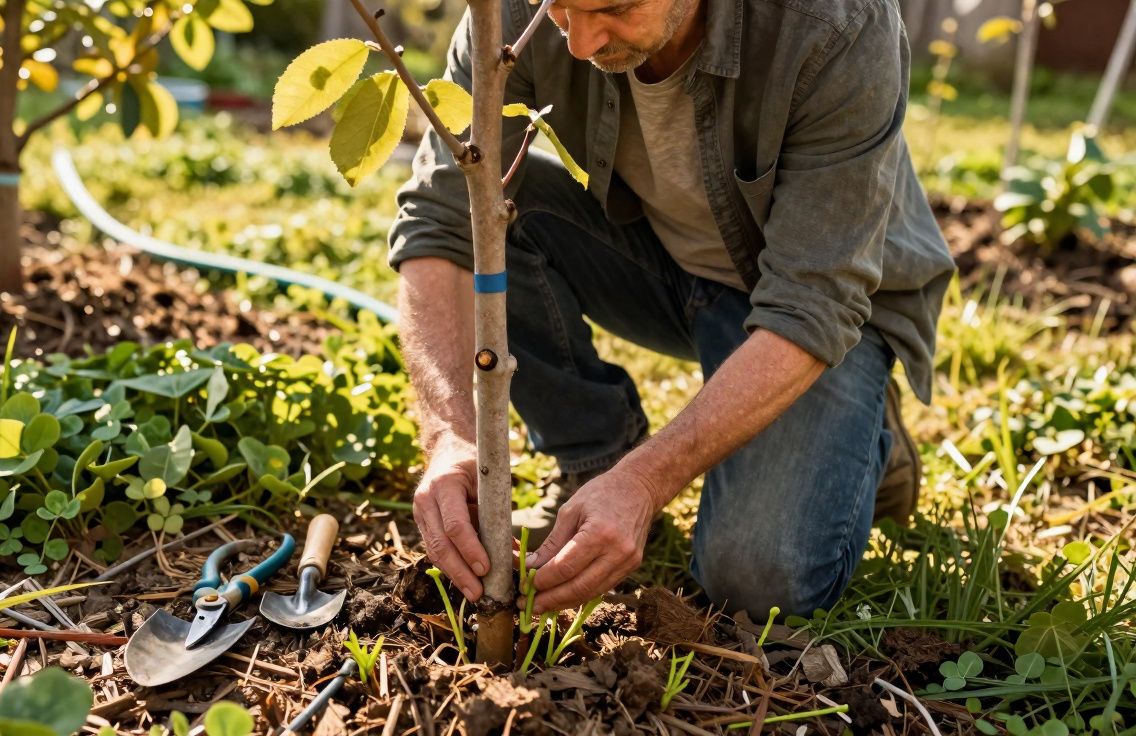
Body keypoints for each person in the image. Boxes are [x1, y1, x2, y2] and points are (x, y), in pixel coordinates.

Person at [388, 0, 957, 620]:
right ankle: (593, 460)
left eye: (613, 9)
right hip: (663, 266)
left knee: (757, 583)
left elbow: (811, 302)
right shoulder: (512, 15)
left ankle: (869, 431)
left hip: (816, 312)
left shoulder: (837, 25)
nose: (579, 43)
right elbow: (441, 220)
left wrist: (647, 481)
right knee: (496, 214)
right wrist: (448, 435)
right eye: (559, 9)